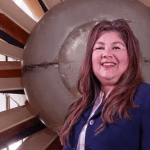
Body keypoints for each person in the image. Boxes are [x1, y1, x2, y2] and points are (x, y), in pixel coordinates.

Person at [59, 19, 150, 150]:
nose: (107, 54)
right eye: (99, 47)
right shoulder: (77, 109)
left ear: (131, 56)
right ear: (90, 58)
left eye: (116, 47)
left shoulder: (146, 96)